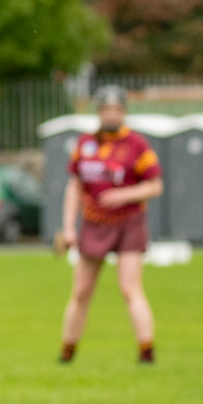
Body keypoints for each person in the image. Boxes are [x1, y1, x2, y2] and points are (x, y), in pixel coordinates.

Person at [58, 85, 163, 363]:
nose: (111, 114)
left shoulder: (137, 144)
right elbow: (74, 187)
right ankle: (67, 352)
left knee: (130, 288)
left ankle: (147, 352)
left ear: (124, 112)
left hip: (129, 222)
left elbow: (155, 185)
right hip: (94, 223)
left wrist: (123, 194)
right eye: (106, 109)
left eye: (117, 109)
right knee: (81, 291)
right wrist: (68, 227)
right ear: (99, 112)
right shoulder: (86, 144)